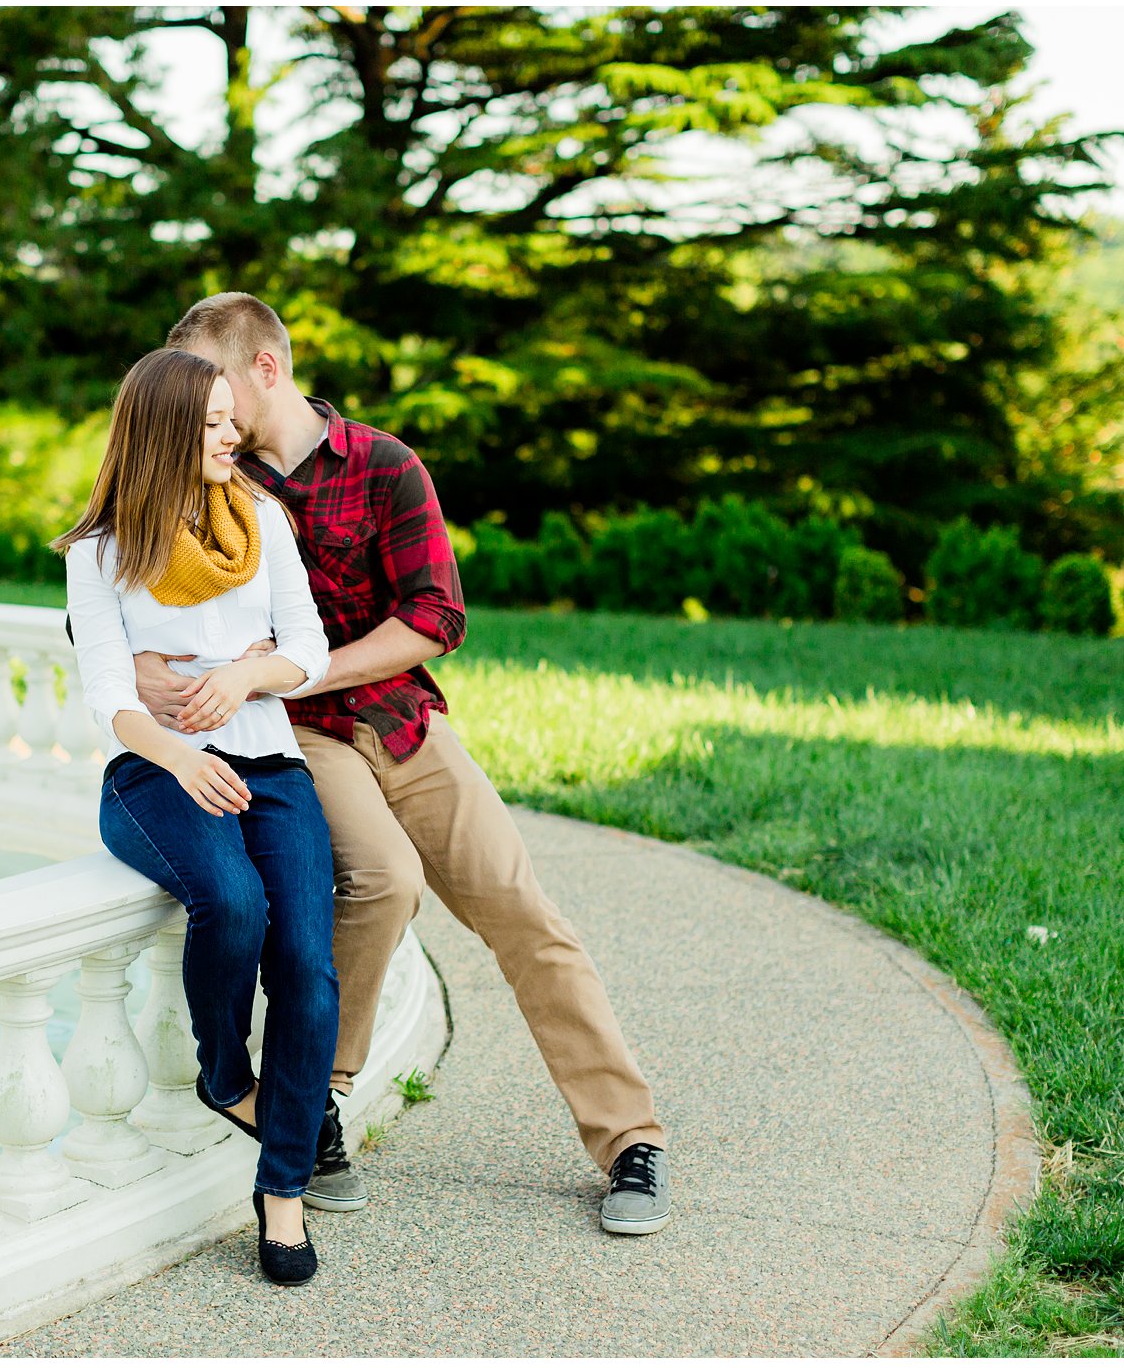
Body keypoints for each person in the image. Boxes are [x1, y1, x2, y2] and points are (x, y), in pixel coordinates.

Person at [141, 293, 673, 1235]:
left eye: (217, 383)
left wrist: (304, 667)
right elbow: (115, 567)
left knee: (522, 911)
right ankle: (317, 1100)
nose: (202, 409)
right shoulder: (208, 478)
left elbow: (435, 619)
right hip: (291, 733)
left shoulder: (383, 467)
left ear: (267, 368)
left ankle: (629, 1137)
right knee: (383, 882)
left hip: (396, 718)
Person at [54, 346, 340, 1284]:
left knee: (304, 956)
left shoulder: (260, 519)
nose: (234, 434)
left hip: (274, 766)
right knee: (233, 902)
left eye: (232, 417)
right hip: (154, 774)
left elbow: (309, 647)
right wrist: (181, 752)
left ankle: (284, 1195)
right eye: (215, 422)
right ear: (166, 429)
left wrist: (247, 674)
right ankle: (227, 1075)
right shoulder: (100, 553)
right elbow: (110, 698)